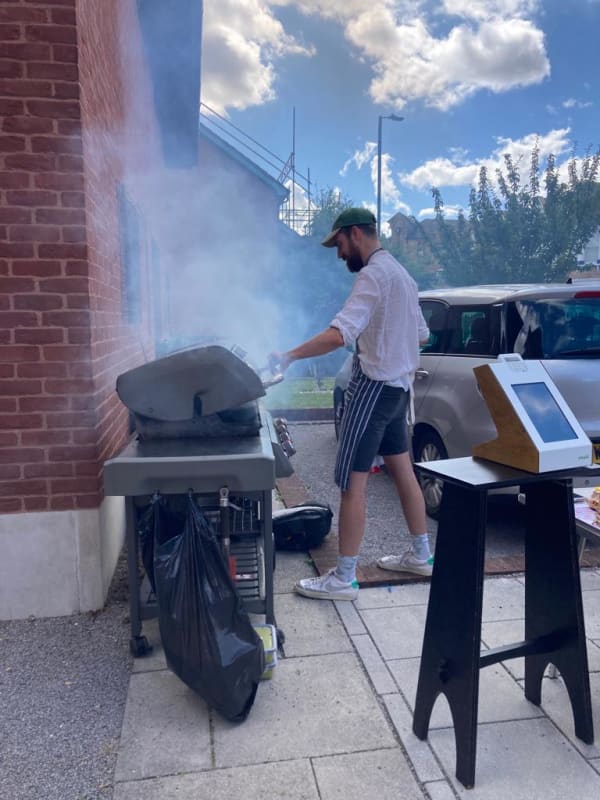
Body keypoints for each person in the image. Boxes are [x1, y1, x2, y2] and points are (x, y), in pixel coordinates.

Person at [269, 207, 433, 602]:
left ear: (355, 234)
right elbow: (423, 335)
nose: (339, 253)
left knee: (350, 482)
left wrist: (289, 356)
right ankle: (421, 555)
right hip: (398, 390)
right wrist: (387, 346)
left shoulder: (373, 275)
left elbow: (338, 334)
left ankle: (343, 578)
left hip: (375, 389)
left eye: (340, 244)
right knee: (403, 471)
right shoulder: (402, 276)